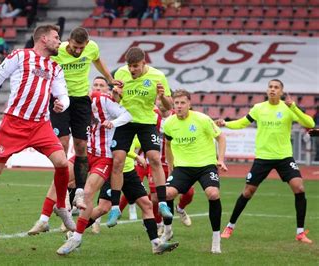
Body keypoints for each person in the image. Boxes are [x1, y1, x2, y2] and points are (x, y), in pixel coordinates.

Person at [0, 25, 75, 231]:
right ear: (43, 39)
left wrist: (62, 104)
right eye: (56, 37)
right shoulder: (19, 56)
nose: (59, 42)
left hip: (41, 125)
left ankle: (61, 206)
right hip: (14, 124)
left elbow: (63, 95)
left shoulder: (56, 68)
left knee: (62, 163)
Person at [216, 79, 315, 244]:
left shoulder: (288, 108)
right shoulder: (258, 108)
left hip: (284, 157)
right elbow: (242, 123)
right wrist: (225, 123)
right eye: (270, 87)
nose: (273, 89)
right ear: (267, 90)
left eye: (276, 87)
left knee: (299, 187)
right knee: (248, 192)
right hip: (263, 158)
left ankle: (300, 233)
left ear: (282, 92)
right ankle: (230, 226)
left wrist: (294, 107)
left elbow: (310, 123)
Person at [57, 135, 180, 255]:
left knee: (146, 205)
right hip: (113, 172)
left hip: (129, 172)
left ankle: (156, 244)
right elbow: (116, 148)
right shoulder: (117, 125)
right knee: (102, 208)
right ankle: (74, 234)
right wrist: (136, 156)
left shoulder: (135, 128)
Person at [27, 76, 115, 235]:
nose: (97, 88)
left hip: (107, 159)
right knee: (61, 175)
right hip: (86, 155)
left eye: (102, 85)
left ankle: (77, 232)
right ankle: (45, 220)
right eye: (95, 85)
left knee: (103, 206)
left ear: (108, 89)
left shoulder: (113, 106)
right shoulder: (85, 105)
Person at [50, 27, 118, 210]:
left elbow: (97, 60)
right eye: (74, 47)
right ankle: (62, 192)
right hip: (61, 100)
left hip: (81, 101)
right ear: (68, 41)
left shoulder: (92, 47)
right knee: (62, 144)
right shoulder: (56, 52)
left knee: (81, 146)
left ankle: (79, 192)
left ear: (86, 44)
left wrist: (110, 79)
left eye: (81, 47)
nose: (78, 51)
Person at [107, 47, 173, 227]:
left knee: (154, 159)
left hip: (146, 122)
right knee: (118, 160)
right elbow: (116, 101)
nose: (132, 70)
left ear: (144, 63)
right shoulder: (121, 73)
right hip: (125, 121)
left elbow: (168, 106)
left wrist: (161, 96)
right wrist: (115, 94)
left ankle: (162, 204)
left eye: (135, 66)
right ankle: (114, 208)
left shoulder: (157, 76)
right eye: (130, 66)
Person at [161, 89, 227, 254]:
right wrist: (170, 166)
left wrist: (220, 159)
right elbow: (167, 145)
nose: (179, 106)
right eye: (176, 103)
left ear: (189, 104)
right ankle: (168, 230)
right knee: (167, 193)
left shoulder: (202, 119)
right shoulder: (169, 123)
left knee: (213, 194)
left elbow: (221, 137)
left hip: (206, 165)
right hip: (183, 167)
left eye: (183, 103)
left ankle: (216, 239)